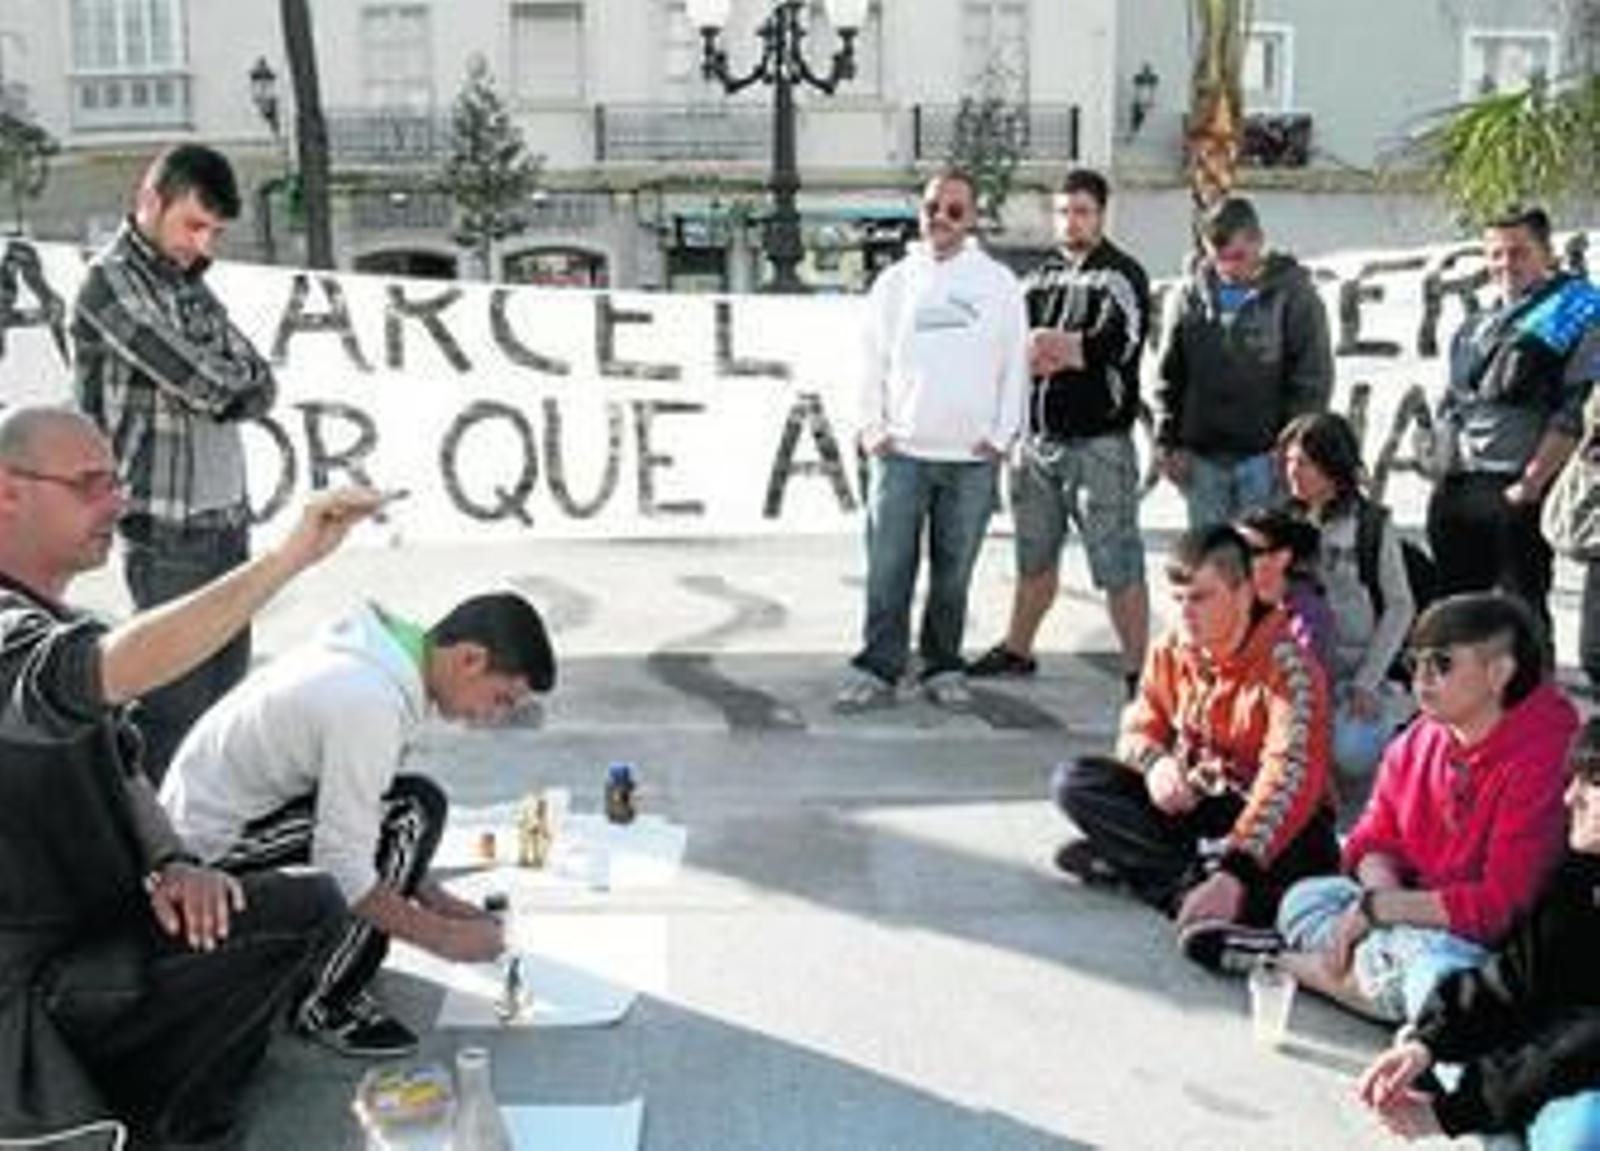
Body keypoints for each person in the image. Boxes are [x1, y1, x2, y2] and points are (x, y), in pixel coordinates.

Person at [0, 405, 381, 1147]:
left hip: (100, 931)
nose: (118, 503)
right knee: (304, 907)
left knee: (284, 904)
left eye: (117, 482)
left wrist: (173, 860)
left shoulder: (46, 614)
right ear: (8, 491)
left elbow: (124, 765)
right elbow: (100, 670)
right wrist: (286, 559)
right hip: (34, 987)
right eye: (89, 484)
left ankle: (170, 1113)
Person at [161, 592, 555, 1058]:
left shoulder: (376, 658)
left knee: (408, 805)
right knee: (414, 812)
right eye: (501, 699)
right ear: (471, 659)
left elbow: (361, 812)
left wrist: (437, 901)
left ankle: (339, 955)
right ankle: (327, 1000)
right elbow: (343, 863)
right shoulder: (370, 701)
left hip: (211, 834)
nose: (494, 717)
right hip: (207, 868)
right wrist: (443, 938)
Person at [72, 143, 277, 782]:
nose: (202, 244)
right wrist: (232, 387)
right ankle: (152, 841)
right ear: (149, 202)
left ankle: (204, 837)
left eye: (214, 231)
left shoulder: (185, 283)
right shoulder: (111, 282)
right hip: (166, 531)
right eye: (192, 224)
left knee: (221, 713)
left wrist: (235, 387)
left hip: (226, 521)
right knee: (173, 716)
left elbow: (261, 380)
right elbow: (209, 385)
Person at [1276, 593, 1579, 1025]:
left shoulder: (1544, 757)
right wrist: (1379, 904)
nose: (1421, 678)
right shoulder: (1420, 736)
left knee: (1436, 976)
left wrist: (1380, 910)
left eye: (1442, 663)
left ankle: (1314, 972)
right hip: (1411, 915)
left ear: (1499, 673)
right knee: (1304, 899)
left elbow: (1501, 906)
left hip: (1487, 944)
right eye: (1415, 661)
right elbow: (1373, 838)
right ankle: (1381, 983)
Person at [1051, 524, 1339, 971]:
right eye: (1178, 598)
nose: (1185, 613)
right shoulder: (1170, 649)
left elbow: (1288, 780)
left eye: (1200, 598)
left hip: (1274, 824)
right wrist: (1156, 764)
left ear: (1243, 593)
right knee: (1076, 781)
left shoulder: (1292, 670)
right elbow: (1138, 726)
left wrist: (1235, 872)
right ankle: (1192, 893)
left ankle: (1163, 875)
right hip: (1197, 803)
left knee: (1305, 864)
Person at [1355, 716, 1600, 1148]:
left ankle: (1503, 1118)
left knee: (1580, 1133)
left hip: (1581, 1072)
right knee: (1433, 971)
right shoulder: (1584, 865)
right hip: (1549, 1049)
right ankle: (1503, 1113)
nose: (1569, 796)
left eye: (1592, 782)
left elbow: (1582, 1045)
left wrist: (1455, 1112)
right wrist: (1427, 1044)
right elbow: (1520, 973)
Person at [835, 169, 1027, 712]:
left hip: (971, 458)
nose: (941, 218)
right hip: (901, 454)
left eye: (954, 210)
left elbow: (1015, 362)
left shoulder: (998, 283)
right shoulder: (894, 282)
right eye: (932, 207)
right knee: (887, 569)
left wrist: (1002, 434)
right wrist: (871, 427)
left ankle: (942, 665)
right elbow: (869, 360)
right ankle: (879, 666)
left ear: (972, 218)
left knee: (954, 572)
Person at [966, 168, 1151, 700]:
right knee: (1034, 557)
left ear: (1102, 215)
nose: (1071, 222)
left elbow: (1116, 345)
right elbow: (1011, 349)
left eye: (1082, 212)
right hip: (1037, 442)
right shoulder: (1035, 278)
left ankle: (1139, 671)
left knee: (1117, 562)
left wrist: (1052, 344)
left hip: (1099, 444)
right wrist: (1054, 349)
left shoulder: (1122, 275)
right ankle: (1018, 649)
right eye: (1064, 212)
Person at [1425, 205, 1598, 650]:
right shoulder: (1474, 326)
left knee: (1521, 619)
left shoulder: (1575, 313)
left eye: (1519, 252)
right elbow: (1452, 402)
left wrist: (1532, 482)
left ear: (1547, 254)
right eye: (1496, 254)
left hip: (1518, 486)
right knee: (1455, 618)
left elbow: (1575, 410)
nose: (1506, 264)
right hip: (1461, 486)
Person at [1153, 195, 1333, 529]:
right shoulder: (1188, 296)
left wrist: (1293, 450)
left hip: (1267, 460)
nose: (1229, 269)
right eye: (1219, 258)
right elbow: (1169, 377)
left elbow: (1312, 379)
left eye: (1238, 257)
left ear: (1258, 241)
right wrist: (1166, 442)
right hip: (1203, 461)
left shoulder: (1294, 294)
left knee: (1264, 554)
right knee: (1211, 556)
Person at [1279, 412, 1417, 781]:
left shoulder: (1371, 525)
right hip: (1297, 669)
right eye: (1289, 461)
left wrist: (1368, 681)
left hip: (1358, 671)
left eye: (1304, 463)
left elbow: (1400, 606)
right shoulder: (1281, 522)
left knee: (1351, 752)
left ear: (1332, 466)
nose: (1293, 472)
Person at [1234, 504, 1336, 676]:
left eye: (1250, 551)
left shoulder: (1309, 616)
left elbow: (1301, 680)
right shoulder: (1236, 602)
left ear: (1282, 558)